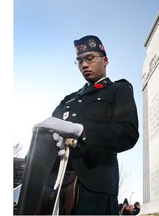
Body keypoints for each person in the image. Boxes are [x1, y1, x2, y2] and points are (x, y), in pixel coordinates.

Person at [33, 35, 139, 215]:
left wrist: (81, 131)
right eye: (79, 61)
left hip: (94, 189)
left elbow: (127, 133)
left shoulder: (118, 90)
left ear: (105, 60)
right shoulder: (69, 99)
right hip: (55, 185)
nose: (84, 64)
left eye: (89, 58)